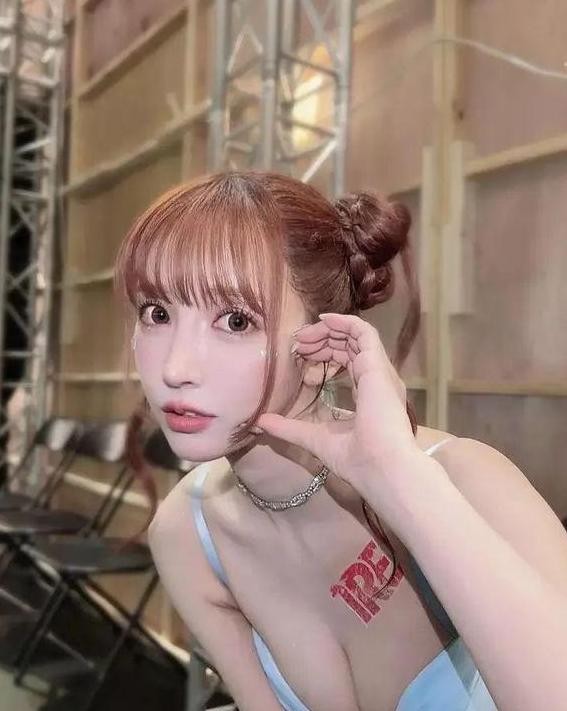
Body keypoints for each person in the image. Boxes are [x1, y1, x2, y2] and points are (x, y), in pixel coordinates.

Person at [114, 170, 567, 711]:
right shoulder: (186, 538)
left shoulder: (471, 482)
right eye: (157, 313)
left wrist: (398, 478)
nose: (175, 368)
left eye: (235, 321)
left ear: (320, 348)